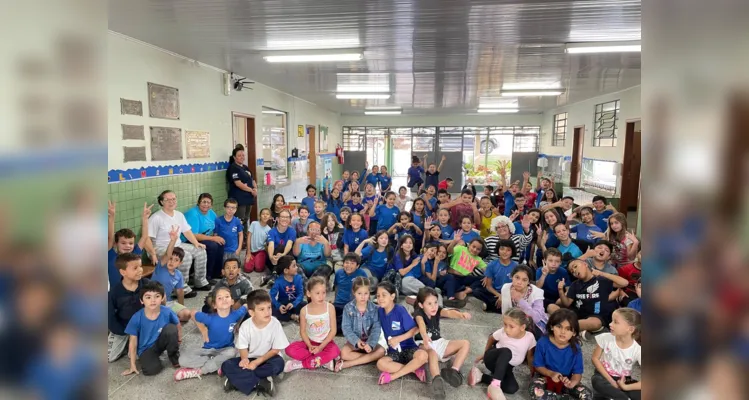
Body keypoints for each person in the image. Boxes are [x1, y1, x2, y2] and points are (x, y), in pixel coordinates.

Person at [221, 290, 288, 396]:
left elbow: (276, 350)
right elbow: (242, 347)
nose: (267, 312)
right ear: (251, 312)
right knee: (226, 365)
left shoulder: (275, 324)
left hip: (269, 358)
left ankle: (236, 381)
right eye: (262, 309)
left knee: (279, 365)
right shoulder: (246, 326)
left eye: (269, 308)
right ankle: (261, 381)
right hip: (250, 357)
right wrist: (244, 359)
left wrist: (256, 363)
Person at [174, 286, 248, 381]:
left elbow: (245, 307)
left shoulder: (235, 315)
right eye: (220, 298)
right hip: (208, 351)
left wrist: (238, 324)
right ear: (214, 305)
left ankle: (200, 371)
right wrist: (203, 329)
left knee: (233, 352)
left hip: (226, 349)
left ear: (232, 301)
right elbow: (192, 312)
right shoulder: (210, 318)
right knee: (182, 360)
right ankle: (218, 364)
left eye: (227, 296)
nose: (224, 299)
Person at [413, 287, 471, 399]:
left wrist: (461, 315)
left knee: (465, 343)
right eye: (429, 303)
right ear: (421, 305)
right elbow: (421, 324)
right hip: (424, 344)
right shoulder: (418, 313)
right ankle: (437, 380)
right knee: (433, 353)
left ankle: (453, 371)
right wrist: (424, 336)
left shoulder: (437, 310)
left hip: (439, 342)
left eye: (435, 302)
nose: (434, 306)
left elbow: (449, 313)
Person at [468, 308, 537, 400]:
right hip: (493, 360)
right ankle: (495, 386)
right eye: (505, 324)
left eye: (511, 326)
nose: (507, 329)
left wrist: (532, 372)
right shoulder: (502, 332)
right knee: (507, 352)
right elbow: (491, 339)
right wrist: (485, 354)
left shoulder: (530, 337)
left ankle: (480, 376)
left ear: (522, 327)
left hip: (506, 366)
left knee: (512, 388)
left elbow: (530, 356)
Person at [149, 190, 210, 293]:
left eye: (173, 199)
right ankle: (181, 288)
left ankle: (200, 281)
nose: (171, 202)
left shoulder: (179, 215)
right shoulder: (156, 218)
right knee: (185, 256)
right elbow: (147, 239)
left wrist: (196, 243)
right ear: (161, 202)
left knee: (200, 251)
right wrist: (152, 254)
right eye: (167, 199)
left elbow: (187, 231)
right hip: (159, 248)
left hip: (177, 244)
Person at [552, 260, 629, 338]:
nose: (574, 271)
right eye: (572, 272)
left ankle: (563, 326)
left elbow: (624, 283)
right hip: (578, 314)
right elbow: (567, 303)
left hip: (595, 316)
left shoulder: (601, 280)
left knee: (596, 323)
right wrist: (560, 290)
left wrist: (602, 273)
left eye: (575, 266)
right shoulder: (575, 284)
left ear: (585, 264)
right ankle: (574, 328)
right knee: (551, 307)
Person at [530, 309, 592, 400]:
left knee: (587, 394)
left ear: (574, 333)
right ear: (552, 327)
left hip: (566, 379)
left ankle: (556, 397)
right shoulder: (543, 342)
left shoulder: (576, 347)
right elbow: (538, 366)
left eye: (568, 329)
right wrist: (551, 374)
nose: (563, 332)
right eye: (559, 327)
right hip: (545, 376)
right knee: (535, 392)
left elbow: (577, 373)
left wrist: (572, 383)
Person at [122, 281, 180, 376]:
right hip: (146, 348)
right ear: (142, 300)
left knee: (171, 329)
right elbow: (133, 342)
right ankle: (150, 359)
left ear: (162, 298)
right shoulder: (136, 318)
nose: (153, 300)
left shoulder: (167, 311)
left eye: (157, 296)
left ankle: (174, 357)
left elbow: (177, 325)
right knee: (152, 370)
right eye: (148, 297)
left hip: (160, 341)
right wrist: (132, 365)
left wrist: (178, 339)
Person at [375, 282, 429, 385]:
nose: (380, 298)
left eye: (384, 295)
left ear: (392, 296)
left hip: (409, 348)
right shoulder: (379, 311)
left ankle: (392, 376)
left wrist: (398, 339)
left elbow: (415, 329)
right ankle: (414, 370)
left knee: (423, 355)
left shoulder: (400, 310)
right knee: (380, 364)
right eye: (378, 296)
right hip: (393, 352)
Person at [284, 277, 341, 372]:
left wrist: (321, 347)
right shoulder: (304, 311)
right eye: (317, 293)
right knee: (289, 349)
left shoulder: (330, 307)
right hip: (309, 343)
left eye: (324, 292)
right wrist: (309, 345)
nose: (321, 296)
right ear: (309, 293)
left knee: (335, 351)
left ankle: (301, 363)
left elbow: (333, 330)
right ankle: (323, 361)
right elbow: (302, 332)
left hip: (326, 343)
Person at [336, 277, 386, 371]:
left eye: (366, 293)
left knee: (381, 351)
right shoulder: (348, 308)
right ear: (354, 293)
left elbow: (376, 329)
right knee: (343, 353)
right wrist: (357, 341)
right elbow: (346, 328)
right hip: (354, 342)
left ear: (369, 293)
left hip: (370, 341)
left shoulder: (375, 309)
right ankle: (370, 358)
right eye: (359, 293)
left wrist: (370, 344)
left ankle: (350, 363)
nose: (363, 297)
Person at [591, 308, 642, 400]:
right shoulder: (605, 338)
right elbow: (595, 358)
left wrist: (625, 387)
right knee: (597, 382)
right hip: (603, 375)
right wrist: (611, 381)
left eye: (615, 322)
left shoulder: (638, 349)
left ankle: (611, 396)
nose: (610, 324)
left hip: (624, 379)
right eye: (611, 321)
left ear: (630, 329)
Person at [108, 253, 149, 363]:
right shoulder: (114, 292)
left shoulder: (146, 285)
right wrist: (124, 332)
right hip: (123, 328)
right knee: (110, 358)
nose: (140, 270)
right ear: (123, 272)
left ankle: (134, 344)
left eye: (140, 266)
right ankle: (127, 342)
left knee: (138, 356)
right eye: (135, 268)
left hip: (142, 326)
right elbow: (110, 317)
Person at [107, 200, 152, 290]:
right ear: (116, 244)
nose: (128, 246)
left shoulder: (135, 253)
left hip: (133, 290)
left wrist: (145, 219)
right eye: (123, 243)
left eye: (131, 243)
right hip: (115, 294)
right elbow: (110, 238)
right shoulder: (110, 255)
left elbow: (144, 237)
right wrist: (112, 217)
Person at [150, 225, 191, 322]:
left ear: (180, 263)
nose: (171, 262)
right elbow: (168, 254)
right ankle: (166, 318)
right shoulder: (161, 267)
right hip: (153, 302)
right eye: (170, 259)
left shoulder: (178, 275)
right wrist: (173, 240)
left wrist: (181, 307)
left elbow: (180, 292)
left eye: (176, 260)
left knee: (186, 315)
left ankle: (169, 317)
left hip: (167, 302)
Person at [500, 265, 547, 339]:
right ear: (512, 277)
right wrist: (508, 328)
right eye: (517, 277)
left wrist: (520, 300)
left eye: (524, 280)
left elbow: (537, 318)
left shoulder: (537, 292)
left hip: (534, 326)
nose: (519, 282)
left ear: (529, 282)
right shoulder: (506, 288)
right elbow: (505, 312)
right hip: (514, 324)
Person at [184, 193, 223, 281]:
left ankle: (216, 273)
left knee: (220, 243)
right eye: (203, 202)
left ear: (211, 205)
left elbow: (217, 224)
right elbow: (194, 235)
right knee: (212, 246)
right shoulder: (193, 213)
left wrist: (216, 236)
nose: (206, 204)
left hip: (204, 238)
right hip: (190, 239)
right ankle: (207, 276)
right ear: (198, 203)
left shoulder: (211, 213)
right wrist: (213, 238)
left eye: (208, 203)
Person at [472, 239, 517, 313]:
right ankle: (501, 307)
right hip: (495, 293)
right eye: (502, 249)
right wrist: (499, 295)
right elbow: (488, 286)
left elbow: (516, 286)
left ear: (512, 252)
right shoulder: (491, 265)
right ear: (498, 250)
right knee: (476, 291)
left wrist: (505, 295)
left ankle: (490, 306)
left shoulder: (516, 266)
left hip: (510, 293)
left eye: (508, 250)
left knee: (515, 301)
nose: (504, 252)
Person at [332, 253, 368, 333]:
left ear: (357, 266)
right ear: (343, 263)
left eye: (352, 263)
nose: (349, 265)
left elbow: (366, 291)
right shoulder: (338, 273)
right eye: (346, 262)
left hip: (353, 305)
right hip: (339, 304)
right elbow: (337, 288)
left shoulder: (361, 273)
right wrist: (335, 301)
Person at [423, 243, 463, 308]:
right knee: (449, 277)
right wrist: (436, 264)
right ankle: (450, 298)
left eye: (444, 253)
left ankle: (451, 300)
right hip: (433, 283)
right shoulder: (430, 261)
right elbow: (432, 280)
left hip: (442, 283)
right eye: (439, 252)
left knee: (453, 281)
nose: (441, 254)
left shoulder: (445, 263)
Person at [227, 147, 257, 230]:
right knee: (240, 220)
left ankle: (245, 238)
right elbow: (238, 183)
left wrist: (255, 189)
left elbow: (252, 179)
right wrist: (251, 190)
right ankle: (239, 239)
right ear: (234, 157)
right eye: (239, 155)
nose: (242, 157)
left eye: (243, 155)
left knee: (246, 219)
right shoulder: (233, 168)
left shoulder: (245, 167)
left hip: (248, 198)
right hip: (239, 199)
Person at [269, 256, 306, 322]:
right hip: (283, 306)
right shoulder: (278, 282)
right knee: (270, 308)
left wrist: (294, 304)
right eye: (294, 266)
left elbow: (300, 294)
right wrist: (279, 306)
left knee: (305, 304)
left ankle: (290, 315)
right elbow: (272, 296)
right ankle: (292, 316)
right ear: (286, 270)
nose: (297, 267)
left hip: (294, 304)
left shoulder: (298, 278)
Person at [265, 209, 296, 277]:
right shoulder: (272, 231)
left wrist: (283, 254)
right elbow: (271, 245)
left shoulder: (292, 231)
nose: (285, 219)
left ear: (290, 220)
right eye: (282, 217)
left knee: (284, 250)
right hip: (274, 256)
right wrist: (271, 257)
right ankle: (278, 272)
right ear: (278, 219)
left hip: (286, 255)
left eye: (287, 217)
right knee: (278, 248)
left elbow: (289, 244)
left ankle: (275, 273)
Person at [215, 198, 244, 262]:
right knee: (224, 268)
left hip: (234, 250)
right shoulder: (218, 220)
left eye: (233, 208)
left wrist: (239, 248)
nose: (230, 210)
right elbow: (215, 235)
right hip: (223, 250)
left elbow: (240, 234)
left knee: (235, 268)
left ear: (236, 209)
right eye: (228, 207)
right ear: (224, 208)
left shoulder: (237, 221)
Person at [245, 208, 272, 273]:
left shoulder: (269, 229)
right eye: (263, 214)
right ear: (259, 216)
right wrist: (248, 252)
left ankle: (259, 259)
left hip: (260, 251)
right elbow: (248, 237)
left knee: (259, 268)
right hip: (250, 250)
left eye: (267, 214)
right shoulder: (254, 224)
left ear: (270, 217)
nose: (265, 216)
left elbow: (267, 243)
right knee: (247, 269)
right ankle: (253, 259)